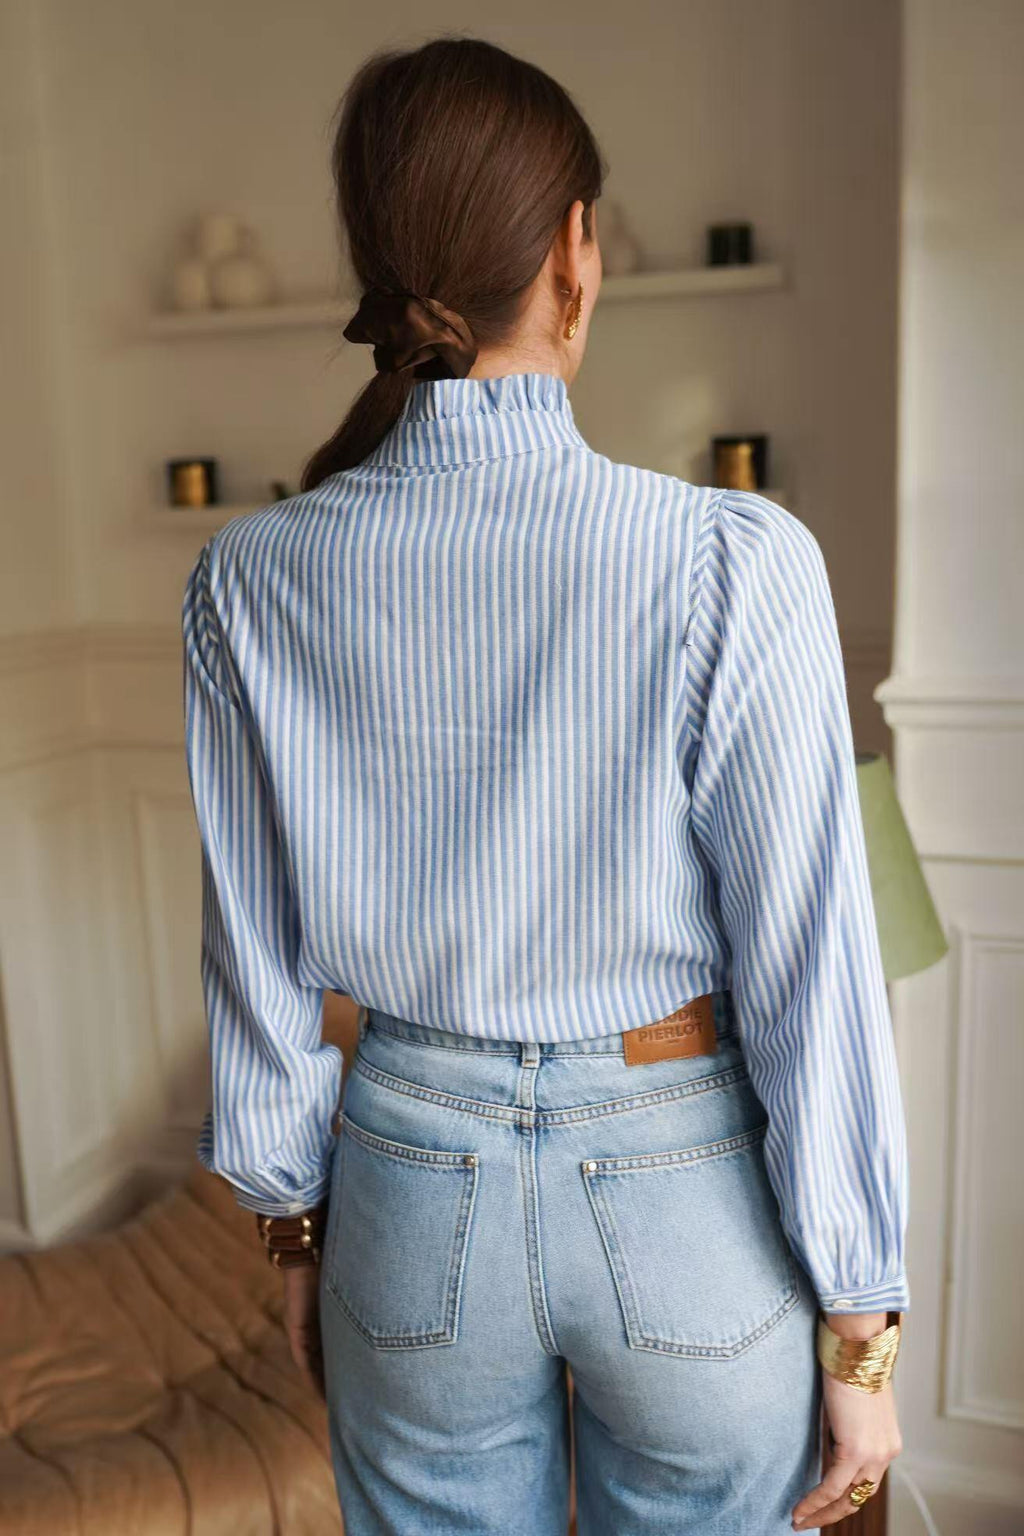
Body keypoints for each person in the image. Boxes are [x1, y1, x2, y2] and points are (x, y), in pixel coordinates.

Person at [180, 34, 908, 1536]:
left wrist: (299, 1228)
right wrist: (862, 1324)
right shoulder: (730, 561)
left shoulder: (245, 579)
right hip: (683, 1183)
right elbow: (808, 970)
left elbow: (253, 959)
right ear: (576, 255)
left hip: (404, 1178)